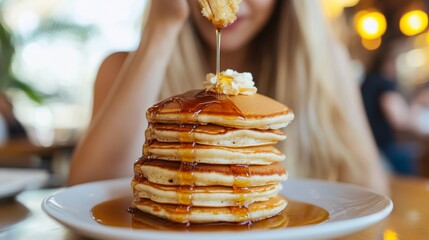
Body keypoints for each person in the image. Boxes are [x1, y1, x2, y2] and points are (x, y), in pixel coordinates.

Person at [68, 0, 388, 193]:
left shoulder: (325, 65)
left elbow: (370, 193)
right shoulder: (121, 69)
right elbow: (87, 197)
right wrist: (162, 27)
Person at [361, 43, 421, 175]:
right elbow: (398, 120)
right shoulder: (383, 84)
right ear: (391, 62)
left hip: (365, 146)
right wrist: (416, 105)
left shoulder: (368, 81)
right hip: (380, 149)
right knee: (409, 155)